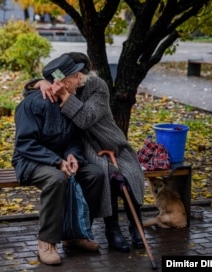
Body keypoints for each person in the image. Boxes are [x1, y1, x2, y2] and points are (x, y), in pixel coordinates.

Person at [24, 52, 145, 253]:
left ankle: (137, 227)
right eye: (58, 79)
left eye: (70, 76)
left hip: (110, 141)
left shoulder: (97, 86)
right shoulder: (61, 83)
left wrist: (64, 96)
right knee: (106, 175)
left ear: (81, 75)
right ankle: (112, 229)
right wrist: (39, 83)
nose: (61, 82)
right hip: (84, 146)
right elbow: (31, 94)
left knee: (128, 173)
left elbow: (86, 118)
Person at [12, 54, 104, 265]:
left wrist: (73, 155)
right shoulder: (33, 103)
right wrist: (56, 161)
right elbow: (25, 144)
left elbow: (73, 139)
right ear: (61, 80)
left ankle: (76, 235)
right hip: (30, 161)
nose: (81, 79)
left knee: (94, 175)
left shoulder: (69, 101)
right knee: (56, 179)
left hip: (60, 160)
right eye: (76, 75)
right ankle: (46, 242)